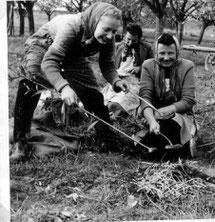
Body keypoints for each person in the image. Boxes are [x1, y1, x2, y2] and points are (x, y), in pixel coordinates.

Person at [10, 2, 129, 161]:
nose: (109, 35)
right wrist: (64, 87)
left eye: (114, 31)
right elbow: (49, 62)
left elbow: (107, 63)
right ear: (94, 21)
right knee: (30, 81)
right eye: (106, 29)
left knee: (92, 93)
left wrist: (116, 80)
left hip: (74, 54)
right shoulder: (72, 26)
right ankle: (20, 142)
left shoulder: (109, 39)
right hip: (44, 45)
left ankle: (106, 137)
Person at [137, 33, 198, 158]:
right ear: (156, 53)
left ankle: (164, 149)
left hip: (178, 112)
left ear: (177, 53)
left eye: (170, 53)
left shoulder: (187, 66)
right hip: (151, 112)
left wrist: (163, 111)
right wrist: (152, 119)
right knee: (156, 129)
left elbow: (188, 101)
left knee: (171, 126)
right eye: (162, 53)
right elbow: (145, 97)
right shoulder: (148, 66)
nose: (166, 58)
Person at [102, 23, 154, 111]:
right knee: (103, 99)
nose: (130, 43)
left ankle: (116, 108)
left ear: (139, 39)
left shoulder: (146, 48)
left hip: (134, 82)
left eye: (134, 41)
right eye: (128, 39)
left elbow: (152, 65)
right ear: (125, 36)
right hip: (119, 79)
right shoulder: (120, 47)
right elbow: (112, 65)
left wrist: (141, 68)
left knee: (119, 103)